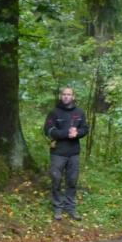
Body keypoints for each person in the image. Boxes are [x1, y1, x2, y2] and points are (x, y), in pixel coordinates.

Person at [43, 87, 89, 221]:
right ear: (60, 96)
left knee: (72, 181)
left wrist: (77, 133)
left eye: (69, 94)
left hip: (74, 153)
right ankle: (57, 207)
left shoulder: (80, 112)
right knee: (56, 180)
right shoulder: (54, 112)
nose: (66, 96)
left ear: (73, 97)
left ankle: (70, 207)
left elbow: (85, 128)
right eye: (64, 94)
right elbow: (48, 130)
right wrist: (66, 133)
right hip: (58, 152)